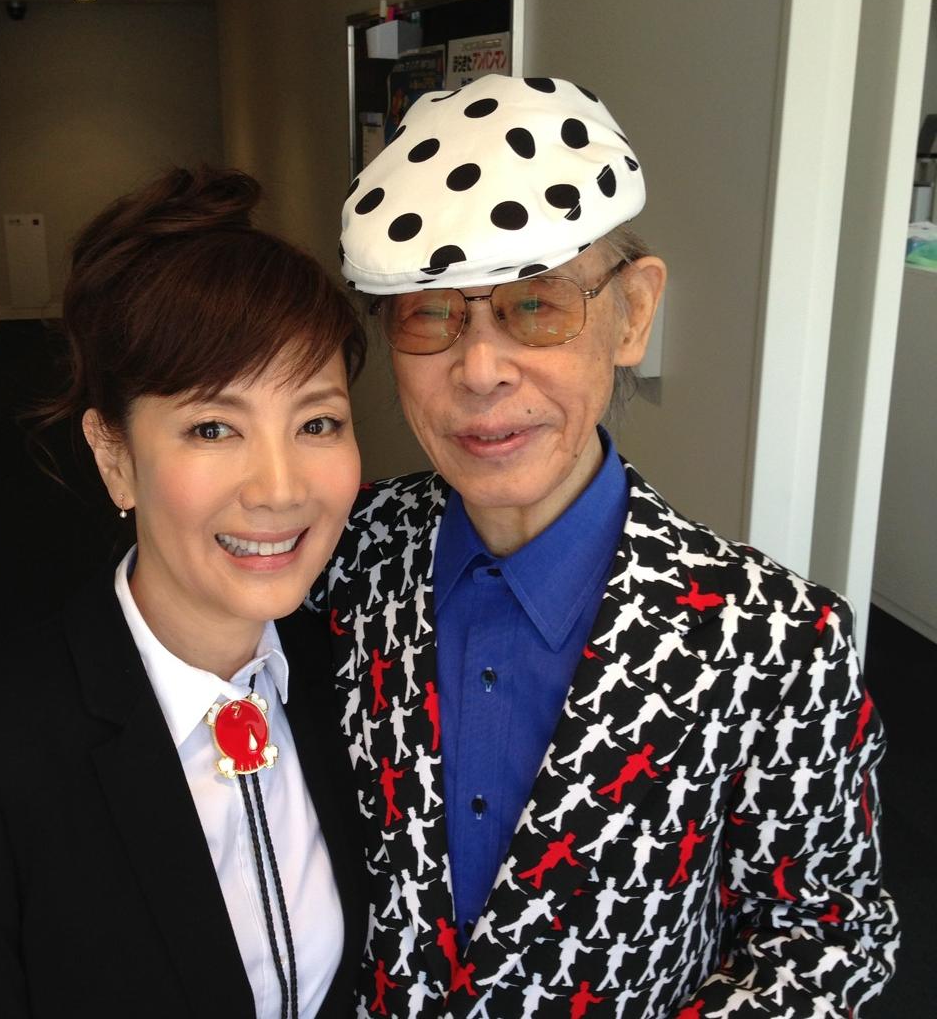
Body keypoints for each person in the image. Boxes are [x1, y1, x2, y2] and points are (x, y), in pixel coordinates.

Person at [319, 75, 898, 1016]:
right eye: (431, 313)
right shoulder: (339, 558)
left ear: (632, 313)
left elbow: (828, 934)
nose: (479, 370)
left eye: (535, 305)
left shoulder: (775, 640)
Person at [0, 167, 368, 1018]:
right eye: (214, 427)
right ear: (115, 456)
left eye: (317, 422)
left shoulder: (350, 675)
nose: (281, 489)